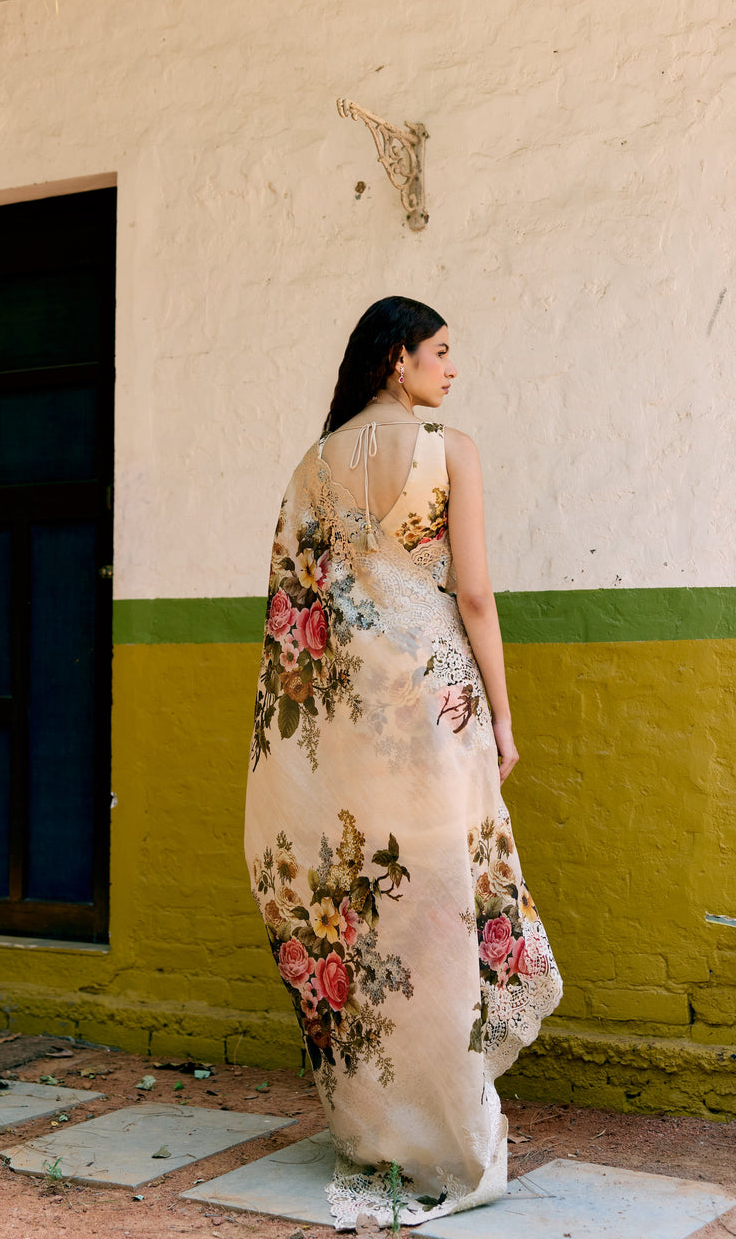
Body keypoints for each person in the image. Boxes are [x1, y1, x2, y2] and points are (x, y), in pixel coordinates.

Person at [244, 296, 562, 1229]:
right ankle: (455, 1132)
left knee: (366, 903)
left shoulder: (314, 464)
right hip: (437, 705)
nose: (451, 369)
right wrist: (503, 716)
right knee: (441, 897)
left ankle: (381, 1128)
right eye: (441, 352)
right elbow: (473, 593)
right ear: (397, 358)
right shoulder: (450, 449)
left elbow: (296, 612)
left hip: (348, 719)